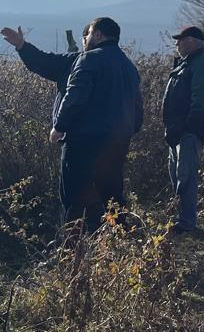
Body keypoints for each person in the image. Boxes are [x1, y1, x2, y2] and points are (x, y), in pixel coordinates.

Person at [51, 17, 143, 230]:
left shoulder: (89, 59)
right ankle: (118, 245)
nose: (86, 37)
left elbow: (75, 95)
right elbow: (137, 109)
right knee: (112, 197)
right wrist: (129, 130)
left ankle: (74, 251)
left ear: (98, 34)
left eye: (89, 33)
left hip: (83, 142)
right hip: (117, 142)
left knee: (74, 197)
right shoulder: (129, 67)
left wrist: (60, 126)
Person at [161, 25, 204, 235]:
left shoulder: (202, 66)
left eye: (181, 39)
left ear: (194, 42)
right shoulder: (186, 65)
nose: (177, 43)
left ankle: (186, 222)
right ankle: (180, 218)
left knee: (185, 176)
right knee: (177, 174)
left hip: (188, 133)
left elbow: (201, 103)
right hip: (178, 132)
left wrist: (186, 128)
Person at [0, 25, 79, 129]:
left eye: (86, 36)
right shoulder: (78, 61)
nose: (84, 40)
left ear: (97, 35)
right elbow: (44, 62)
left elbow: (44, 63)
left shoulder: (77, 62)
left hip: (79, 136)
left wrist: (60, 128)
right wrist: (21, 45)